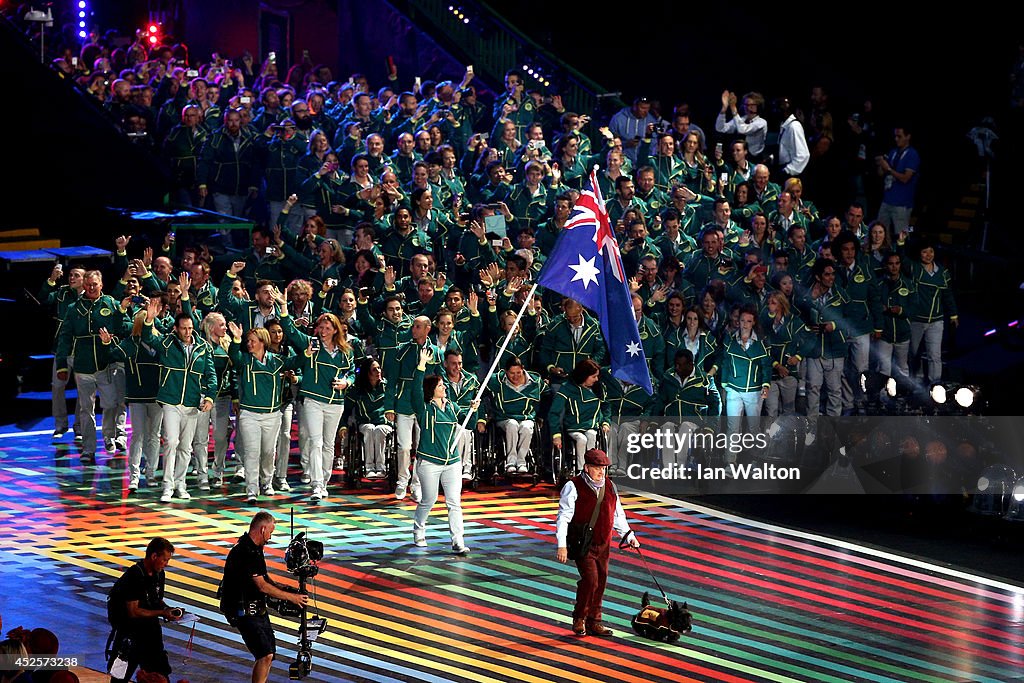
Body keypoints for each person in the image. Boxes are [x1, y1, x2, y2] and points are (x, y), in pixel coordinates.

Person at [555, 449, 641, 637]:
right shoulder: (573, 486)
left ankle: (595, 620)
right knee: (590, 580)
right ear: (586, 468)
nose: (601, 472)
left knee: (601, 581)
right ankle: (579, 618)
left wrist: (629, 536)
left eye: (604, 468)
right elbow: (563, 517)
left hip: (604, 543)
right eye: (597, 468)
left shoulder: (610, 486)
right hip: (583, 543)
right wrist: (561, 543)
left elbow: (618, 515)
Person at [221, 511, 308, 683]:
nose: (270, 537)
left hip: (256, 608)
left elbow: (263, 578)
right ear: (262, 529)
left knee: (269, 654)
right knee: (265, 654)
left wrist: (284, 588)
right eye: (270, 532)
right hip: (244, 610)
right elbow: (261, 586)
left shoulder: (255, 548)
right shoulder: (245, 552)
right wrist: (292, 598)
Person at [411, 347, 479, 553]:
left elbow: (470, 424)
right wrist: (421, 366)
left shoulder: (452, 407)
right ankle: (418, 530)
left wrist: (474, 410)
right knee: (429, 499)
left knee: (454, 502)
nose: (444, 388)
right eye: (440, 385)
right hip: (429, 462)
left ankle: (458, 540)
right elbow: (415, 390)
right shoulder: (424, 409)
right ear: (432, 389)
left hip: (452, 462)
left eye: (443, 385)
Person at [106, 537, 181, 683]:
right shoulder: (134, 575)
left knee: (160, 677)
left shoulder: (159, 574)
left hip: (151, 633)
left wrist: (168, 610)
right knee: (120, 677)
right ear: (154, 556)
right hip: (130, 637)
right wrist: (161, 613)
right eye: (164, 560)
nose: (166, 564)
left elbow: (156, 600)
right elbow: (133, 611)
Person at [875, 126, 920, 236]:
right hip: (887, 200)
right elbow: (880, 173)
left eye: (899, 136)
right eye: (895, 136)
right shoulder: (893, 152)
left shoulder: (912, 155)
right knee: (879, 233)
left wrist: (889, 169)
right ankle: (881, 253)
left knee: (901, 237)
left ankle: (902, 253)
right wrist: (881, 164)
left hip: (901, 203)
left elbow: (905, 178)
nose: (896, 139)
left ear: (908, 137)